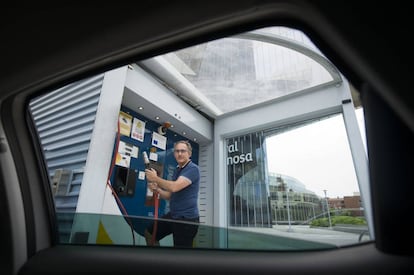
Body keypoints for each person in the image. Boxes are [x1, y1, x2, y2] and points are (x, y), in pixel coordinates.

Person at [144, 140, 200, 248]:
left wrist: (155, 178)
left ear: (189, 153)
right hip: (174, 215)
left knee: (181, 256)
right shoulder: (177, 170)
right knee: (150, 233)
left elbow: (174, 187)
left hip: (187, 220)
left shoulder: (193, 169)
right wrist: (157, 190)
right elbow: (170, 196)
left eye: (183, 151)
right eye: (177, 151)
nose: (179, 153)